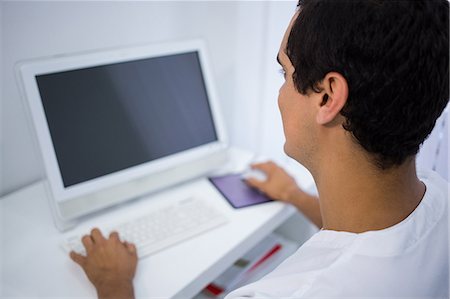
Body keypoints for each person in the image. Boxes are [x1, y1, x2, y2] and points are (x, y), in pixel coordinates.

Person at [69, 0, 449, 298]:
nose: (281, 91)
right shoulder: (440, 200)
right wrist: (295, 196)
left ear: (327, 97)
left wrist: (115, 285)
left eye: (284, 72)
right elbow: (380, 243)